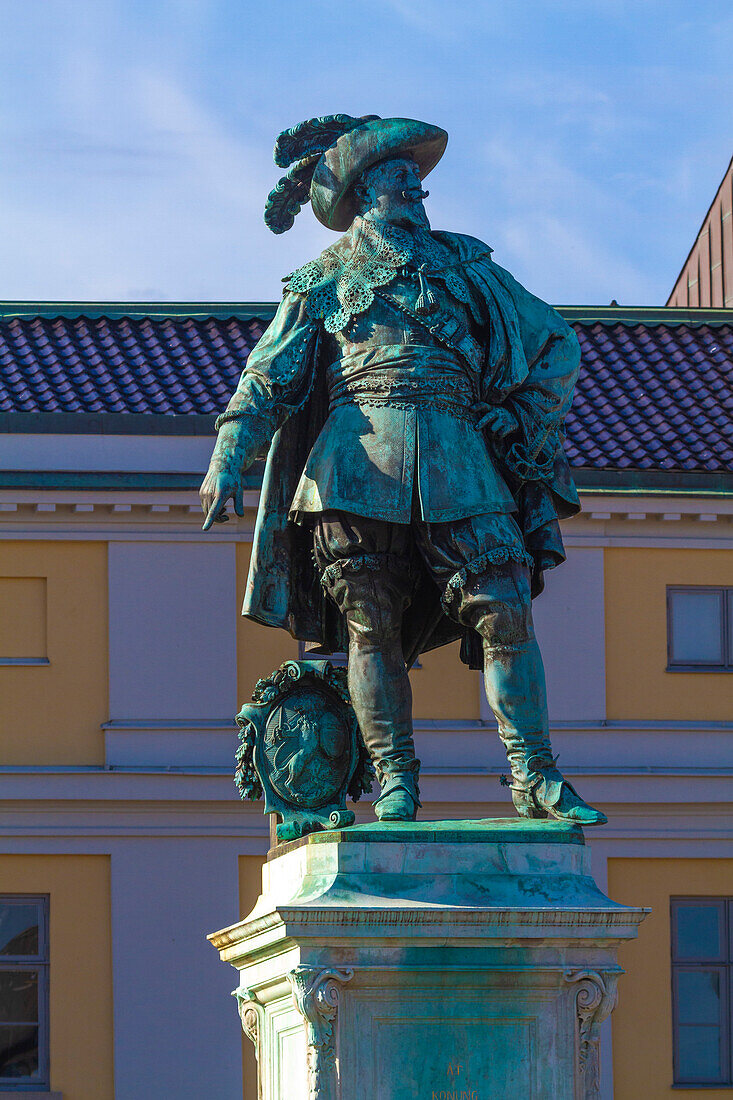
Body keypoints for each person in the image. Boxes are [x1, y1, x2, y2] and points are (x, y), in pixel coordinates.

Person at [200, 114, 606, 827]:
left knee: (505, 606)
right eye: (397, 176)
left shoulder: (468, 265)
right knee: (369, 625)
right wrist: (229, 453)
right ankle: (395, 779)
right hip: (354, 463)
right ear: (361, 191)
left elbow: (554, 344)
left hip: (459, 453)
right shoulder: (322, 278)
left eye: (417, 179)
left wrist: (518, 414)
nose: (416, 188)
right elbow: (268, 372)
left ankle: (535, 775)